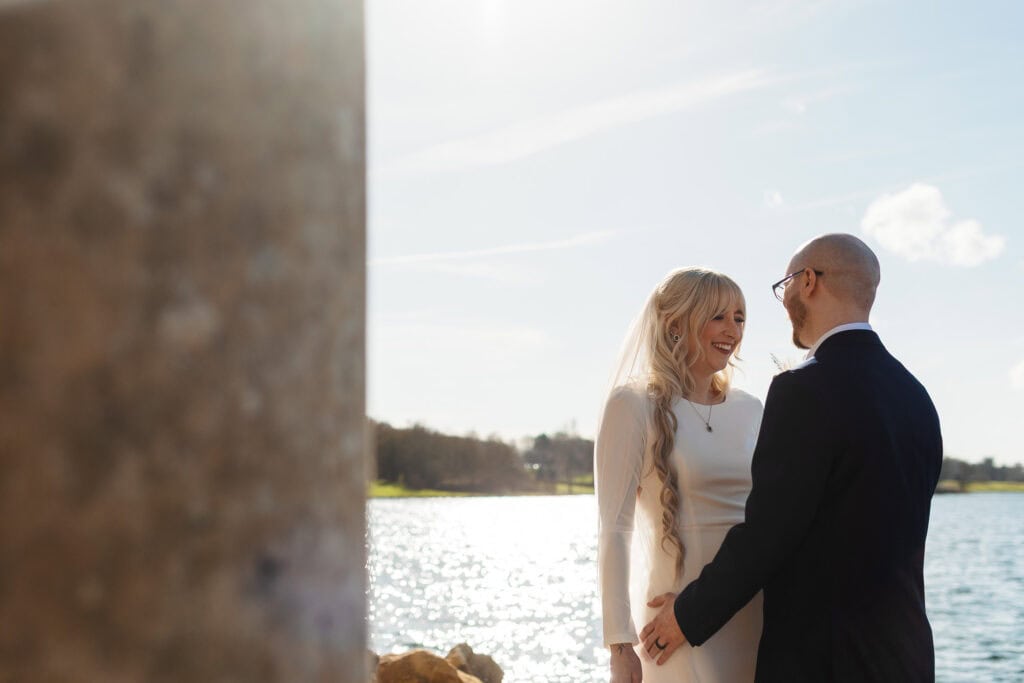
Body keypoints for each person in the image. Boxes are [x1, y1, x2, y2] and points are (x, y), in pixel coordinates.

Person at [640, 234, 943, 682]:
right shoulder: (916, 396)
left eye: (785, 287)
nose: (784, 303)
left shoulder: (803, 391)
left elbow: (769, 533)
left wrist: (686, 615)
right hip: (907, 656)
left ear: (808, 282)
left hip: (823, 662)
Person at [595, 267, 764, 683]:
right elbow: (615, 527)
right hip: (672, 624)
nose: (732, 330)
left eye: (739, 317)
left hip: (755, 615)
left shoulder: (752, 409)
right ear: (675, 324)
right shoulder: (633, 405)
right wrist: (620, 645)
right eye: (717, 316)